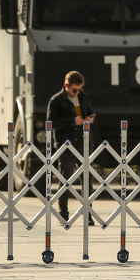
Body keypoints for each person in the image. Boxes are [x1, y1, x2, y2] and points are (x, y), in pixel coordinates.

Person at [46, 71, 96, 225]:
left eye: (80, 89)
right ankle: (64, 214)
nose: (78, 92)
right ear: (66, 86)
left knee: (86, 180)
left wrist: (90, 119)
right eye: (75, 89)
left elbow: (91, 112)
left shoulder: (83, 97)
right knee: (65, 179)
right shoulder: (56, 100)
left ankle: (88, 215)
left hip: (83, 142)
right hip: (65, 144)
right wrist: (73, 121)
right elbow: (50, 122)